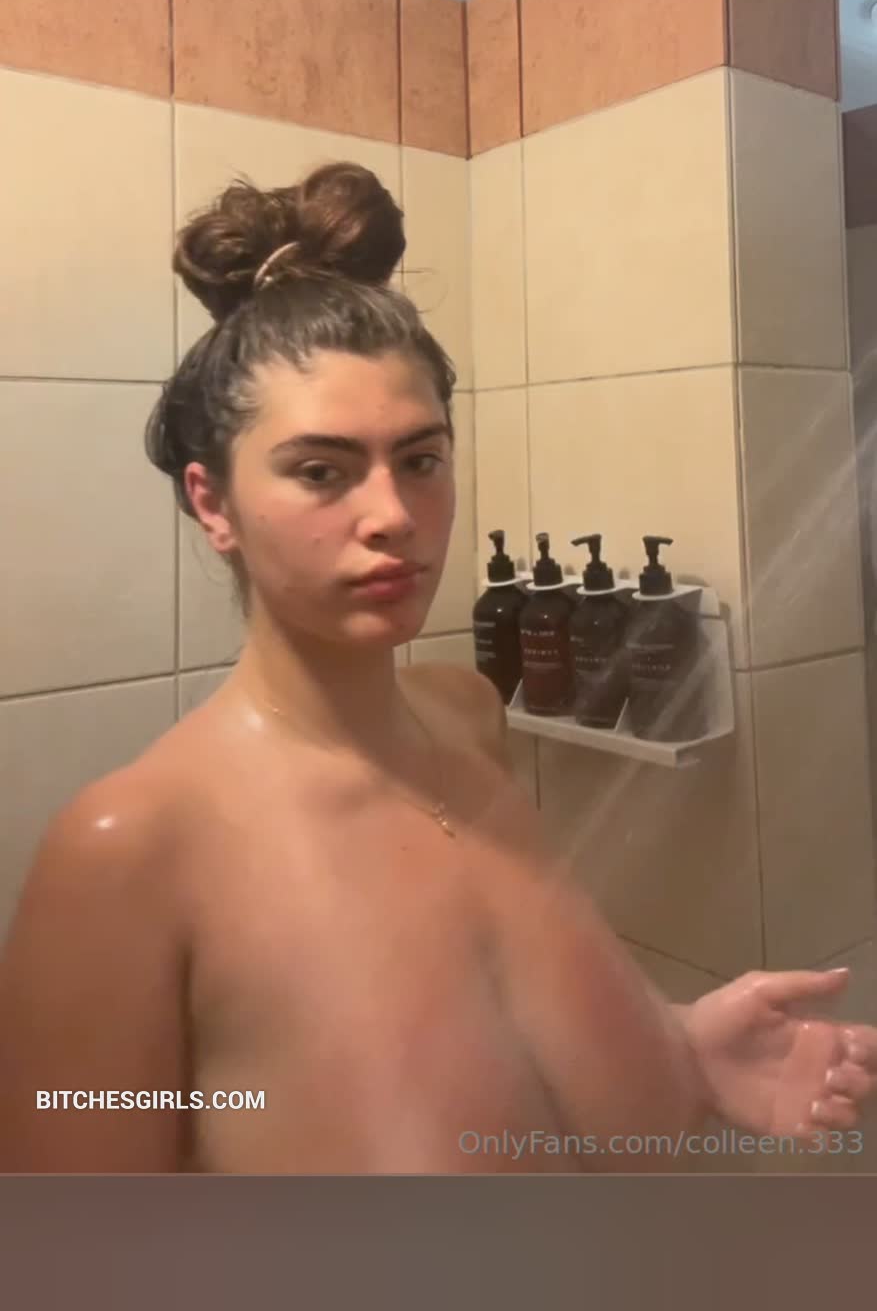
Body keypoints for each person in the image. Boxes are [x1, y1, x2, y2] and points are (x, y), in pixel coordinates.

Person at [1, 161, 876, 1176]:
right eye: (321, 470)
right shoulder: (131, 849)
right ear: (212, 502)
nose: (393, 514)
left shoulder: (465, 714)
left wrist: (682, 1049)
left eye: (420, 459)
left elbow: (491, 1066)